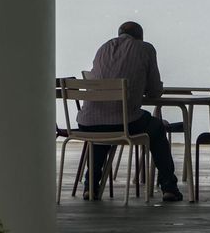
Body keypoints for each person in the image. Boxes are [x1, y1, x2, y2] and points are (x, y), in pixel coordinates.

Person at [77, 21, 182, 202]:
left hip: (88, 123)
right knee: (156, 127)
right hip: (124, 122)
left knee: (101, 135)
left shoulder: (103, 48)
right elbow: (155, 91)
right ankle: (169, 187)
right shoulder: (145, 48)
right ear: (140, 36)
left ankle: (90, 187)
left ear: (118, 34)